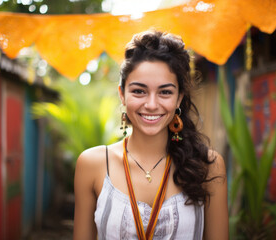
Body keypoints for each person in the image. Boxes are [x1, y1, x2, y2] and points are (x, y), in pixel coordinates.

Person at [73, 30, 228, 240]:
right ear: (122, 94)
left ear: (179, 98)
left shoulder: (207, 166)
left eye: (165, 92)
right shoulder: (93, 164)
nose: (152, 105)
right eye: (139, 91)